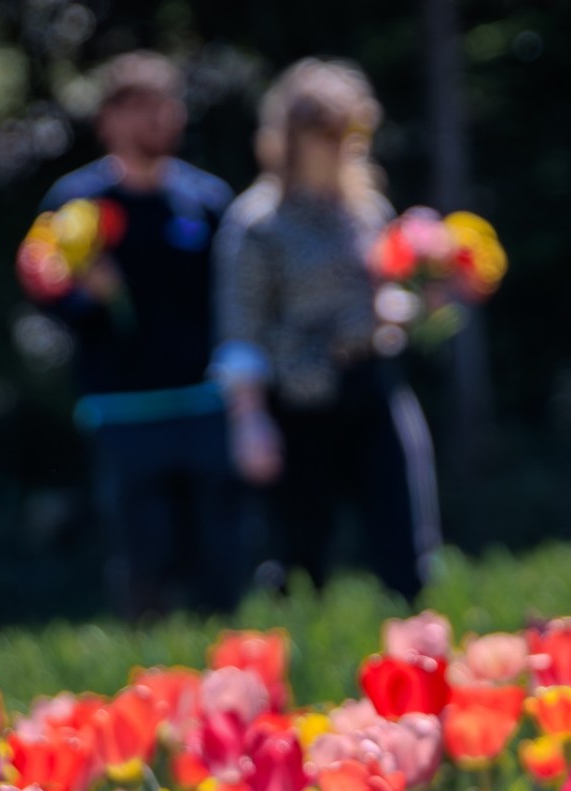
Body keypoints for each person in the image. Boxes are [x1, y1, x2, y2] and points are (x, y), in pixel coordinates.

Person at [23, 52, 248, 617]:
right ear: (108, 120)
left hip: (204, 403)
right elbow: (45, 296)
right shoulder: (74, 204)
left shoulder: (208, 200)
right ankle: (151, 663)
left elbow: (237, 302)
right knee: (146, 560)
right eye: (141, 108)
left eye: (166, 106)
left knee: (219, 558)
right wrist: (90, 294)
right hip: (122, 410)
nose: (157, 120)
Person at [212, 60, 439, 603]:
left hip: (373, 384)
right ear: (292, 138)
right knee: (301, 559)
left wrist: (422, 301)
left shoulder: (367, 210)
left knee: (405, 544)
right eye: (327, 133)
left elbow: (386, 294)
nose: (341, 147)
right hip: (299, 401)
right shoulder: (258, 223)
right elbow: (241, 331)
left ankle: (414, 640)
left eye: (350, 133)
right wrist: (249, 421)